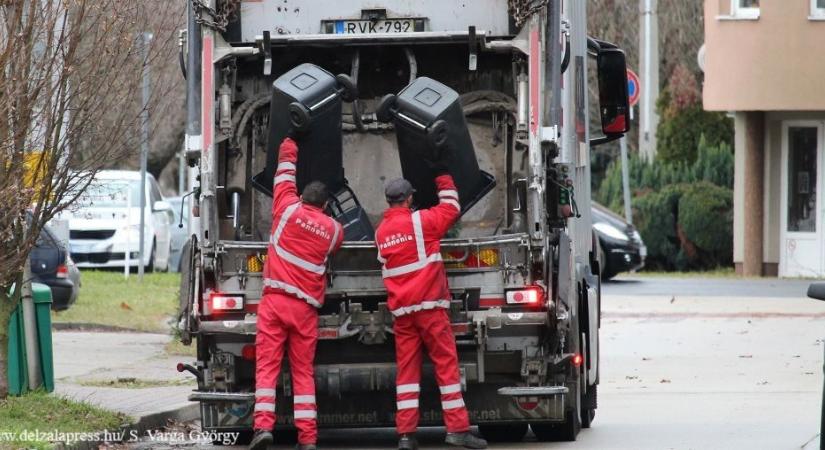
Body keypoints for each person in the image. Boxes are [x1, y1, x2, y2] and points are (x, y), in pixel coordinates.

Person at [375, 149, 488, 450]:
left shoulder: (381, 231)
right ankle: (457, 430)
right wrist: (441, 172)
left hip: (403, 315)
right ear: (410, 199)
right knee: (446, 368)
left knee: (407, 374)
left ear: (389, 201)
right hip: (430, 308)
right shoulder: (421, 223)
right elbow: (451, 207)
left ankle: (406, 436)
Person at [250, 137, 344, 450]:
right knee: (303, 373)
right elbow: (335, 244)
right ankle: (308, 439)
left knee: (267, 369)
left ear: (301, 196)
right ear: (326, 205)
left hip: (275, 303)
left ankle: (263, 428)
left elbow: (283, 175)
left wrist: (290, 139)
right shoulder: (333, 230)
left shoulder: (286, 209)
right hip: (304, 310)